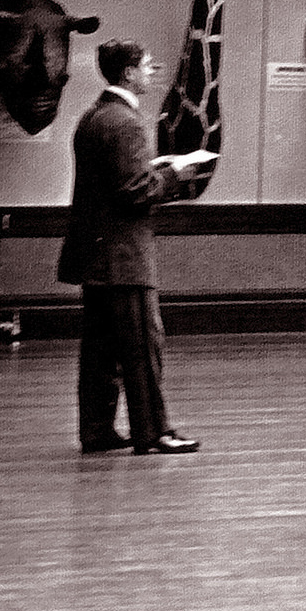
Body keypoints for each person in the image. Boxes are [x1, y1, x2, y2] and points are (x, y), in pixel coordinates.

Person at [58, 39, 216, 455]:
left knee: (99, 351)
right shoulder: (125, 123)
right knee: (144, 347)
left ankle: (96, 430)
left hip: (95, 254)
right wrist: (175, 174)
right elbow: (134, 191)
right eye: (146, 66)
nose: (151, 71)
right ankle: (154, 431)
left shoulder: (94, 116)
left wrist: (152, 170)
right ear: (128, 72)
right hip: (123, 257)